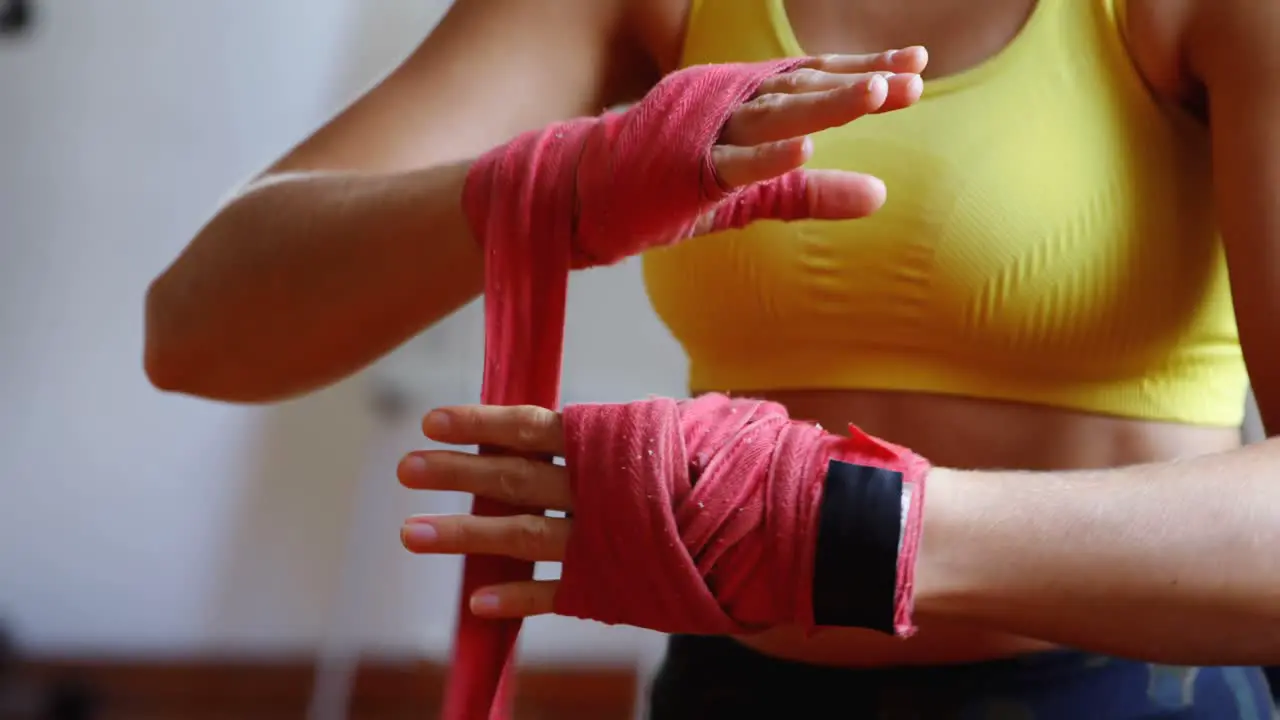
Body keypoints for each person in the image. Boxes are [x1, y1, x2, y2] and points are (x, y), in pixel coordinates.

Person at [143, 0, 1280, 716]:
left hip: (1135, 698)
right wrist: (555, 188)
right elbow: (199, 326)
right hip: (731, 693)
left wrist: (838, 527)